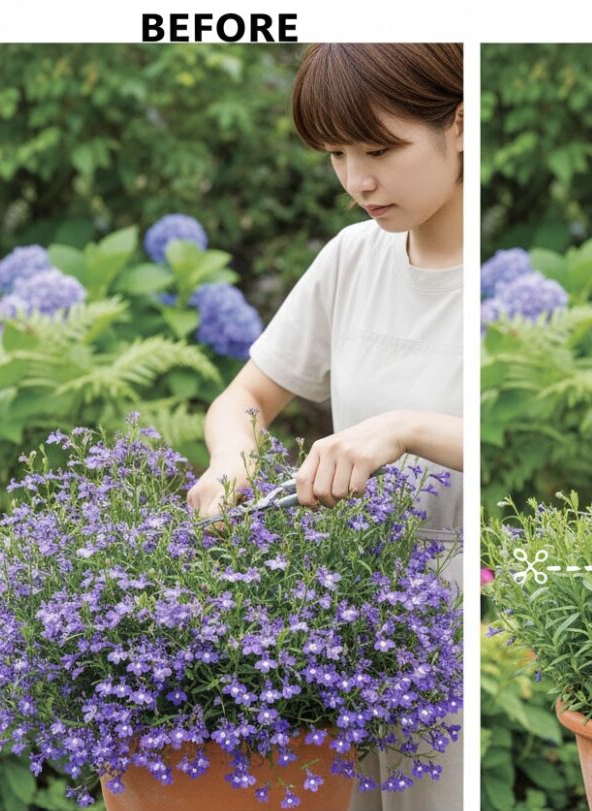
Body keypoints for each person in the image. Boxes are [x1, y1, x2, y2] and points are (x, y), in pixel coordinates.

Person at [186, 43, 464, 811]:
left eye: (380, 148)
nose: (357, 180)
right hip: (350, 618)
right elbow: (245, 394)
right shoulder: (353, 258)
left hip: (469, 617)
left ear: (463, 124)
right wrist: (233, 463)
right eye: (337, 153)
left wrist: (403, 428)